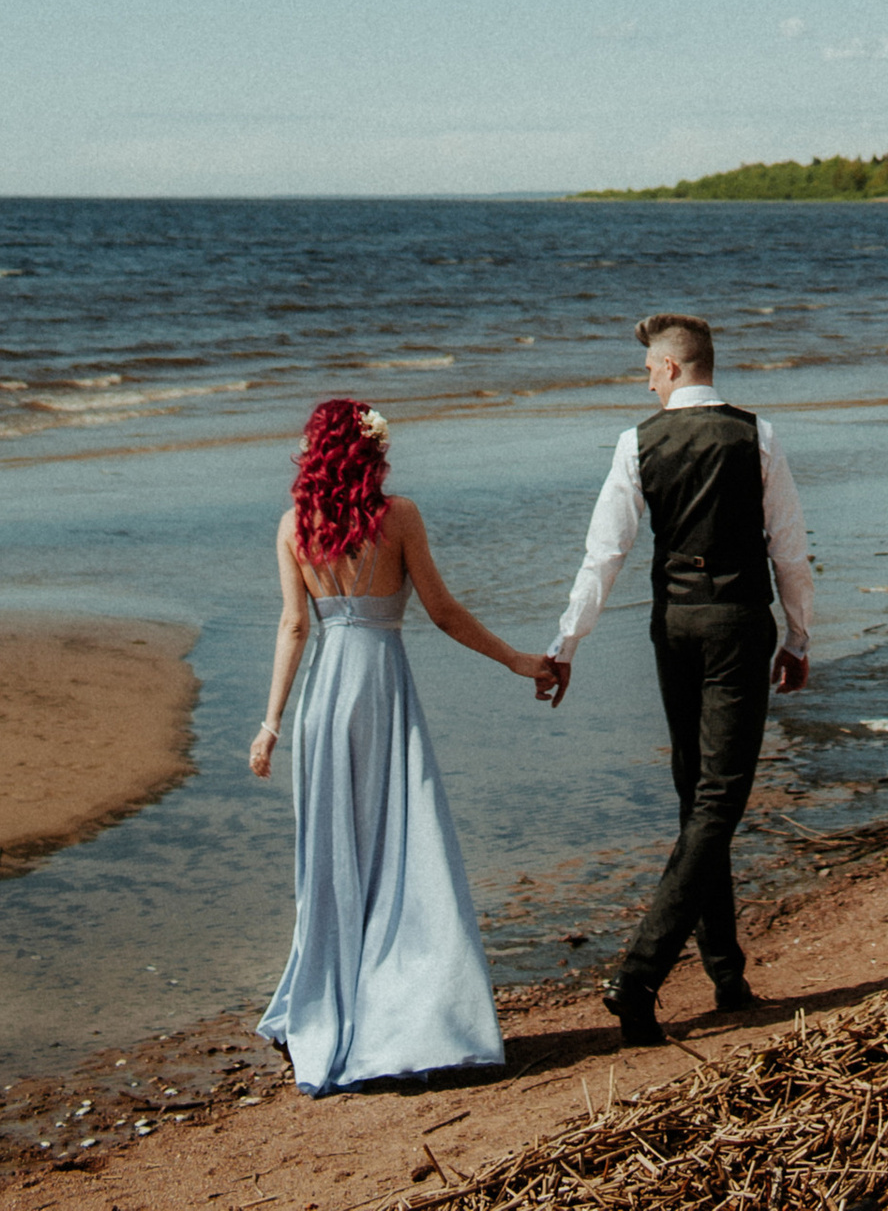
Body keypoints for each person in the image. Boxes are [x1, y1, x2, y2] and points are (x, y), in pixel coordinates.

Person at [250, 395, 558, 1094]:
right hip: (382, 692)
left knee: (334, 856)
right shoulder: (402, 517)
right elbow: (442, 612)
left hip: (325, 701)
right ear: (373, 450)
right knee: (405, 844)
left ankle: (325, 1009)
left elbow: (294, 627)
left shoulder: (295, 524)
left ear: (316, 452)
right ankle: (415, 1018)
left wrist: (270, 725)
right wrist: (517, 661)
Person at [543, 311, 815, 1047]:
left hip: (675, 626)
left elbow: (605, 554)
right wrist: (798, 636)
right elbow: (789, 549)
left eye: (647, 372)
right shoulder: (756, 435)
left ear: (668, 367)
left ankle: (726, 975)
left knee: (700, 799)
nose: (647, 385)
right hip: (737, 623)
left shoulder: (637, 442)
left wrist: (567, 642)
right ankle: (641, 974)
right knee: (718, 801)